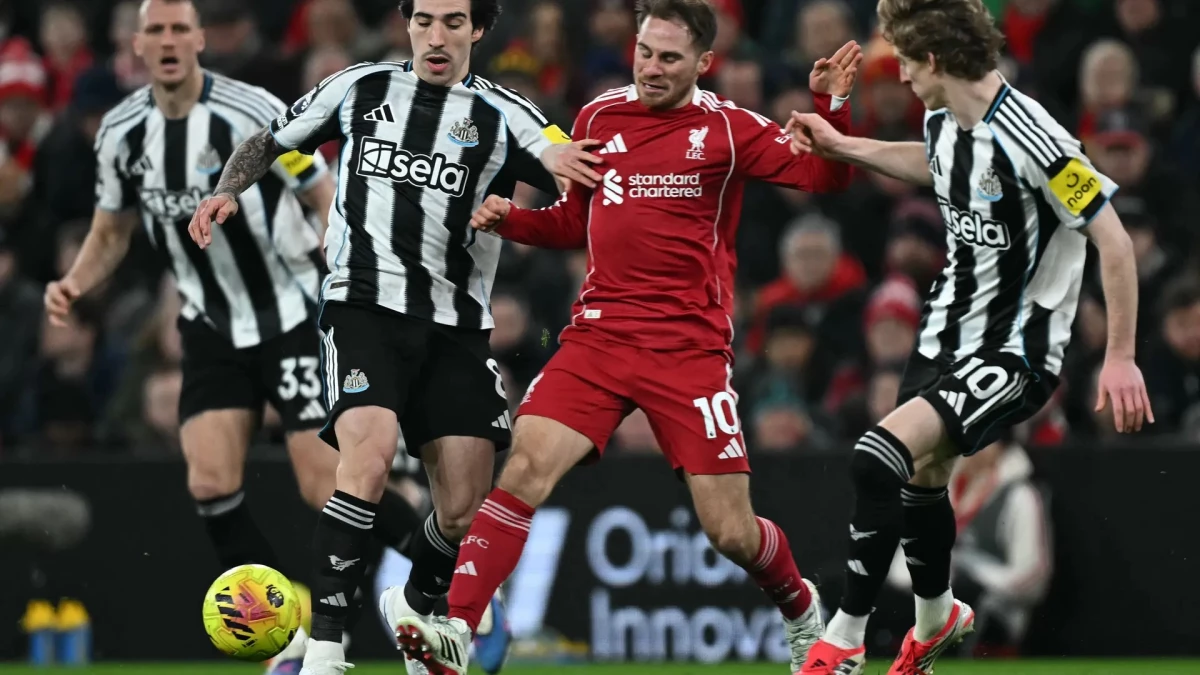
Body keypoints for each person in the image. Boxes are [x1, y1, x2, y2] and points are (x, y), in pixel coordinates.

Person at [389, 1, 861, 673]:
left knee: (730, 531)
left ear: (703, 63)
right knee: (523, 467)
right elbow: (572, 222)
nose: (651, 68)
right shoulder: (598, 117)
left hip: (688, 350)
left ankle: (799, 607)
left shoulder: (727, 130)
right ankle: (455, 635)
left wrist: (832, 110)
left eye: (669, 58)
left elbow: (826, 177)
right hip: (600, 337)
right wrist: (512, 221)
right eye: (644, 52)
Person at [186, 0, 599, 673]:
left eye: (454, 22)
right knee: (368, 462)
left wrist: (582, 171)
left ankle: (416, 604)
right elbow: (273, 137)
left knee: (462, 507)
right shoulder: (359, 87)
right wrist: (226, 190)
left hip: (457, 327)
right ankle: (324, 647)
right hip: (363, 310)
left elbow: (563, 159)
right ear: (406, 24)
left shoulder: (503, 113)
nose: (437, 37)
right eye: (425, 20)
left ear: (479, 30)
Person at [41, 1, 428, 672]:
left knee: (324, 484)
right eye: (154, 30)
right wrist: (75, 282)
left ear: (197, 40)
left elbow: (320, 188)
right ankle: (289, 642)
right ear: (136, 44)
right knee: (210, 479)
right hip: (211, 324)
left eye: (177, 29)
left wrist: (339, 256)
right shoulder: (121, 133)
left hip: (292, 313)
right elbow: (112, 230)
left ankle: (460, 571)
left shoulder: (249, 111)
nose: (166, 41)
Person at [784, 1, 1154, 673]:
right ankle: (937, 617)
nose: (898, 78)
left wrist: (1121, 356)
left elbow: (1113, 236)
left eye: (902, 62)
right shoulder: (944, 117)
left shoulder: (1035, 134)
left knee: (875, 457)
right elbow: (937, 165)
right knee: (921, 481)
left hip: (1015, 350)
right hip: (944, 335)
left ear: (932, 59)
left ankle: (843, 637)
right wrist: (843, 145)